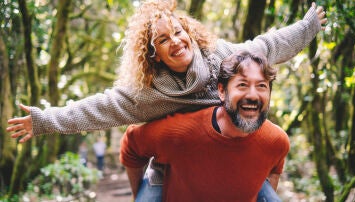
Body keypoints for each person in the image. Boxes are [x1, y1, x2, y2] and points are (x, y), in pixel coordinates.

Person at [6, 0, 326, 201]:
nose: (175, 41)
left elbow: (267, 46)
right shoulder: (147, 94)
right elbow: (97, 108)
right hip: (172, 167)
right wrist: (43, 120)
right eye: (162, 39)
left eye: (177, 32)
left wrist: (308, 26)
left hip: (233, 158)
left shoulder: (220, 57)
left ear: (189, 32)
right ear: (153, 56)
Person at [120, 50, 289, 201]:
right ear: (222, 91)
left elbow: (274, 168)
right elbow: (132, 145)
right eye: (242, 85)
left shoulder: (276, 141)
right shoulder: (181, 133)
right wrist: (140, 195)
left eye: (261, 86)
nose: (253, 95)